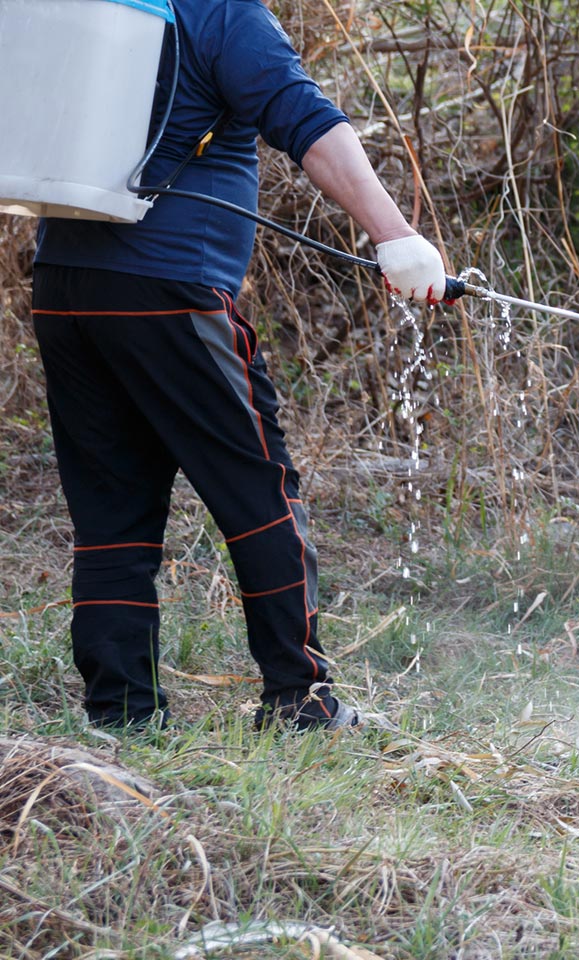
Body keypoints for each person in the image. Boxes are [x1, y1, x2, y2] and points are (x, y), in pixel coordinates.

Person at [30, 0, 445, 730]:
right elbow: (307, 121)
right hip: (171, 289)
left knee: (111, 517)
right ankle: (299, 699)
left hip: (65, 287)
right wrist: (395, 235)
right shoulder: (220, 11)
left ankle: (120, 713)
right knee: (259, 494)